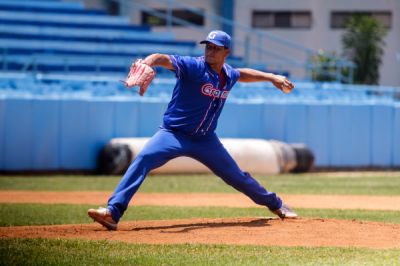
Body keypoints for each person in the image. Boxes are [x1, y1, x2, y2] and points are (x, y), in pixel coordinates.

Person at [88, 30, 297, 230]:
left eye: (216, 48)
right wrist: (148, 62)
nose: (210, 51)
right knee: (143, 159)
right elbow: (162, 58)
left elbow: (242, 74)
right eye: (208, 46)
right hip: (173, 134)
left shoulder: (228, 75)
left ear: (227, 52)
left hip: (206, 140)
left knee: (237, 177)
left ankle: (277, 204)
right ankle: (113, 213)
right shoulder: (193, 66)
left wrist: (272, 77)